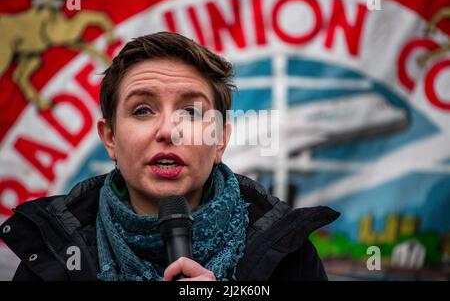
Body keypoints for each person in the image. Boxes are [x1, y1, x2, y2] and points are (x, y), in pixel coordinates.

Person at [0, 32, 339, 281]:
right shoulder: (51, 251)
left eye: (191, 112)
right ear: (111, 138)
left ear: (219, 139)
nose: (168, 130)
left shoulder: (286, 251)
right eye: (143, 110)